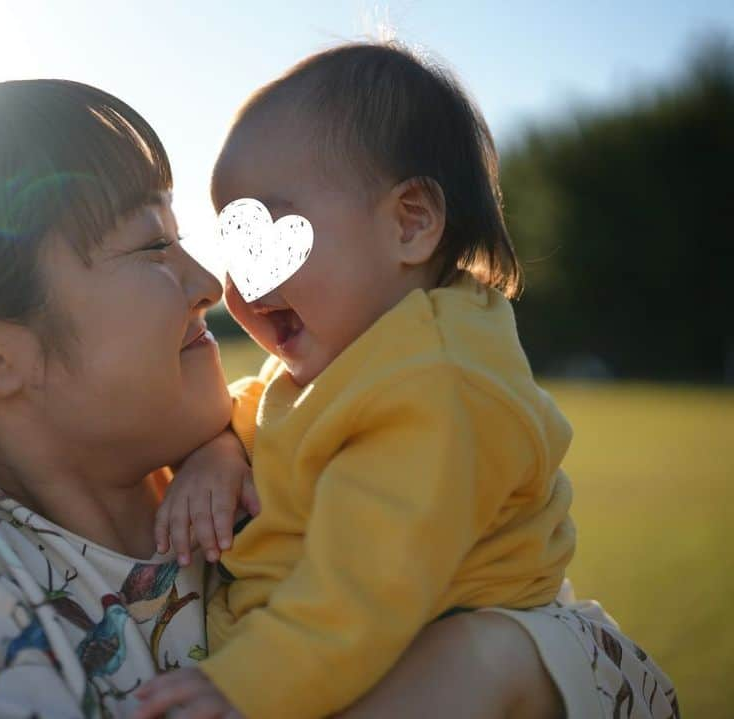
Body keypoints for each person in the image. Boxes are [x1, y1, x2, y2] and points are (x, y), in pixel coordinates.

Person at [0, 78, 670, 719]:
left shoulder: (248, 480)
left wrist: (509, 657)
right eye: (150, 246)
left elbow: (622, 672)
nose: (212, 282)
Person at [139, 43, 679, 719]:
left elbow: (368, 584)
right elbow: (268, 411)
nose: (242, 281)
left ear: (411, 223)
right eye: (236, 242)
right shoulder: (349, 353)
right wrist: (218, 450)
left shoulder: (437, 384)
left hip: (423, 653)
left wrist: (243, 681)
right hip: (345, 656)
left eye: (273, 231)